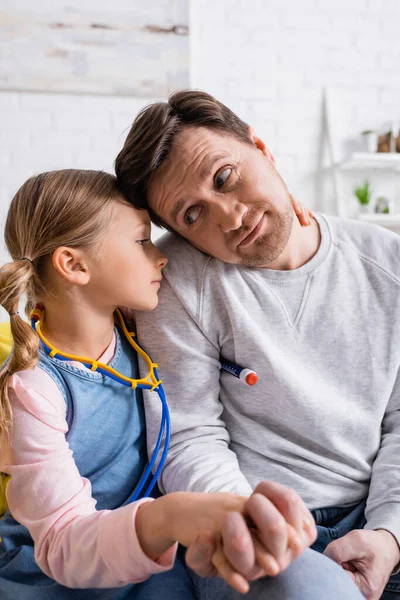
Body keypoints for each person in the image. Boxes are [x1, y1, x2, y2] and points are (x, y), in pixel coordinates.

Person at [0, 169, 364, 600]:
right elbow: (62, 544)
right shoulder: (31, 390)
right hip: (63, 572)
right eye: (141, 241)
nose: (161, 256)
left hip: (155, 559)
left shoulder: (135, 327)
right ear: (74, 265)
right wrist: (169, 517)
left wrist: (292, 213)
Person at [115, 89, 400, 600]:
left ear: (262, 149)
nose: (229, 217)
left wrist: (389, 534)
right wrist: (249, 523)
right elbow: (187, 436)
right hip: (246, 522)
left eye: (224, 177)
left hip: (380, 516)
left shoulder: (388, 263)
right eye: (192, 215)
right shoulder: (176, 279)